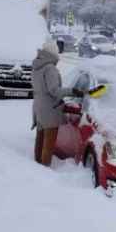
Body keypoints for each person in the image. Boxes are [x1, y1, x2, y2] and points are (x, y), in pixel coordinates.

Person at [31, 39, 82, 167]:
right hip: (50, 109)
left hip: (38, 107)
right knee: (49, 143)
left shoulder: (37, 66)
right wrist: (73, 91)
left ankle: (36, 165)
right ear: (53, 53)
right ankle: (43, 168)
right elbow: (54, 91)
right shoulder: (49, 68)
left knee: (40, 140)